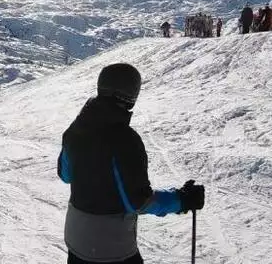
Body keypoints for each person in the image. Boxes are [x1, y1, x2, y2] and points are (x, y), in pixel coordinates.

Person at [57, 63, 205, 263]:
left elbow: (65, 175)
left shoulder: (77, 128)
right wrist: (182, 200)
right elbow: (139, 202)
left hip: (76, 242)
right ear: (131, 95)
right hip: (110, 249)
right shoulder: (125, 140)